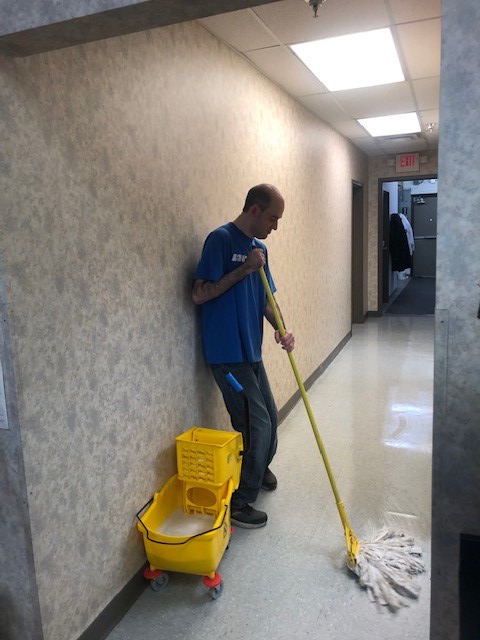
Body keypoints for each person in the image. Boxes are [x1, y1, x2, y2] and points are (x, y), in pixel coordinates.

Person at [192, 184, 295, 529]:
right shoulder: (219, 240)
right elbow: (199, 294)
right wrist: (244, 269)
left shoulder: (260, 249)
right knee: (256, 423)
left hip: (252, 350)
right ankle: (241, 501)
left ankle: (258, 466)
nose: (275, 226)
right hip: (226, 353)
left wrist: (282, 328)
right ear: (254, 211)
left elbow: (267, 299)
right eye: (272, 218)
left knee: (270, 416)